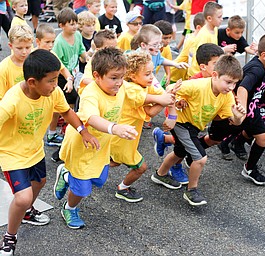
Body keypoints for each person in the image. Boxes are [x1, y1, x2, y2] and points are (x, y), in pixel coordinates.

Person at [0, 49, 99, 255]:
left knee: (40, 183)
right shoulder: (13, 101)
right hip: (12, 154)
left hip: (35, 150)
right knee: (23, 197)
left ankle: (27, 213)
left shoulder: (53, 93)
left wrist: (83, 131)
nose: (56, 85)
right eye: (51, 81)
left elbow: (66, 111)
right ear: (32, 82)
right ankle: (10, 236)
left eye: (57, 79)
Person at [53, 47, 138, 229]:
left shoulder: (119, 87)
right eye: (114, 77)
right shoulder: (91, 93)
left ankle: (66, 175)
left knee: (98, 180)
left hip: (101, 145)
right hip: (82, 145)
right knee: (82, 188)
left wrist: (165, 97)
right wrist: (114, 128)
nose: (119, 82)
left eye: (122, 77)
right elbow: (92, 118)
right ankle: (69, 208)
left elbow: (140, 93)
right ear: (97, 75)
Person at [151, 55, 246, 206]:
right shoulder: (198, 85)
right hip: (181, 123)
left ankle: (160, 174)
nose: (231, 87)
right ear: (215, 75)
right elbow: (169, 89)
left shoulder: (226, 96)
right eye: (228, 82)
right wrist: (176, 106)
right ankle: (192, 190)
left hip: (194, 126)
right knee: (200, 158)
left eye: (235, 83)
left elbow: (234, 121)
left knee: (179, 152)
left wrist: (238, 117)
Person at [216, 33, 265, 181]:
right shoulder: (257, 69)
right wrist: (242, 110)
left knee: (262, 136)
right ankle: (184, 151)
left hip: (250, 109)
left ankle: (248, 166)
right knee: (214, 138)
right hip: (241, 110)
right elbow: (242, 88)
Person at [110, 51, 179, 202]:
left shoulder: (145, 83)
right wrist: (166, 99)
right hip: (121, 138)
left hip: (128, 138)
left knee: (113, 161)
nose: (152, 77)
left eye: (152, 72)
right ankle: (122, 188)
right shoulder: (129, 88)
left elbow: (161, 95)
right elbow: (151, 109)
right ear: (133, 76)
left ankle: (79, 172)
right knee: (141, 167)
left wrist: (168, 96)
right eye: (147, 73)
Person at [152, 43, 224, 184]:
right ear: (203, 66)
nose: (220, 68)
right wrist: (180, 101)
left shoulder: (217, 83)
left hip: (192, 122)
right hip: (179, 120)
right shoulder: (195, 81)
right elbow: (175, 92)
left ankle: (163, 140)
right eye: (216, 64)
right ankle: (173, 169)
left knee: (182, 147)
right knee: (184, 148)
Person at [35, 23, 75, 147]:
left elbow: (63, 69)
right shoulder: (32, 57)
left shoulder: (52, 54)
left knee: (58, 109)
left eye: (52, 42)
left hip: (51, 90)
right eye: (47, 42)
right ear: (38, 41)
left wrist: (69, 79)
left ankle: (51, 134)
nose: (51, 45)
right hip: (36, 94)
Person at [52, 7, 88, 109]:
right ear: (62, 25)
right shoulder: (59, 42)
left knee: (75, 97)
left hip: (75, 72)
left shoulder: (77, 35)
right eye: (71, 24)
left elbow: (81, 50)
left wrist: (87, 58)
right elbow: (57, 63)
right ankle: (66, 118)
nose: (75, 26)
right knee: (69, 98)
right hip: (63, 76)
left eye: (76, 23)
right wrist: (67, 78)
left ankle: (68, 116)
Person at [188, 1, 223, 77]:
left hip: (208, 70)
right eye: (219, 17)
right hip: (199, 72)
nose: (222, 19)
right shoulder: (204, 35)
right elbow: (201, 56)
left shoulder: (215, 29)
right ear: (209, 18)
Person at [78, 28, 117, 94]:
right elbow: (85, 80)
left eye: (115, 47)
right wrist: (104, 85)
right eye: (109, 49)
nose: (113, 51)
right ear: (98, 50)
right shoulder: (94, 62)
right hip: (93, 94)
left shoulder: (115, 60)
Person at [170, 12, 205, 83]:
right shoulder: (194, 40)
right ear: (198, 27)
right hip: (177, 74)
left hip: (181, 72)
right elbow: (189, 59)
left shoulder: (191, 36)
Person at [0, 24, 33, 100]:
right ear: (10, 46)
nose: (24, 52)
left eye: (28, 47)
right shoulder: (3, 68)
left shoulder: (36, 63)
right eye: (19, 48)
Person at [154, 19, 174, 88]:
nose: (168, 41)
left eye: (170, 38)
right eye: (165, 38)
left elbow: (167, 62)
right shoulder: (149, 49)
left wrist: (168, 74)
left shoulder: (166, 48)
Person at [77, 11, 96, 77]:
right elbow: (82, 60)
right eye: (88, 25)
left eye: (93, 25)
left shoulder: (96, 35)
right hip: (83, 71)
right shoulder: (78, 38)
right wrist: (92, 49)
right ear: (80, 27)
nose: (92, 28)